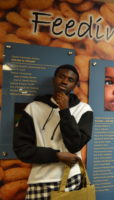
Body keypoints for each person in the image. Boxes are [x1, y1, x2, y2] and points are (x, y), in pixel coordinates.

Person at [13, 64, 94, 200]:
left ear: (75, 86)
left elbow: (75, 145)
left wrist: (64, 111)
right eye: (61, 76)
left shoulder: (84, 110)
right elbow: (22, 149)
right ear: (54, 79)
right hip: (40, 181)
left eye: (70, 79)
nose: (64, 81)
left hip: (71, 178)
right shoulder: (33, 108)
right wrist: (56, 155)